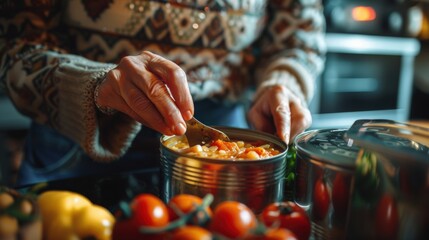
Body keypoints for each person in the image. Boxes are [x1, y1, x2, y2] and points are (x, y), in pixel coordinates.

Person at [0, 0, 326, 187]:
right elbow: (13, 44)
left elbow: (298, 38)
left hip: (224, 145)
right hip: (77, 139)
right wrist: (94, 83)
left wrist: (283, 81)